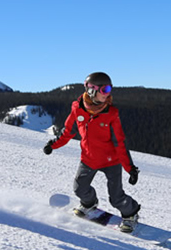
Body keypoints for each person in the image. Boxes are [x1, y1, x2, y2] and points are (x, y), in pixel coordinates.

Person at [43, 72, 142, 233]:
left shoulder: (111, 114)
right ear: (91, 90)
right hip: (89, 159)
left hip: (111, 161)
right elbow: (68, 131)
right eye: (104, 90)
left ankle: (130, 215)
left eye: (110, 89)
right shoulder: (77, 109)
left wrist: (130, 168)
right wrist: (53, 145)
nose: (108, 94)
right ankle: (89, 204)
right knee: (79, 189)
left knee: (116, 197)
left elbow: (120, 142)